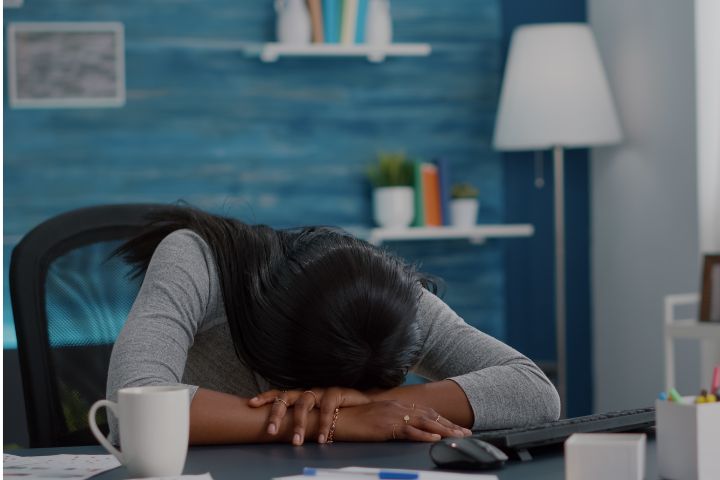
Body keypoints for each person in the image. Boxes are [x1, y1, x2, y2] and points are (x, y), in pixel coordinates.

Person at [107, 205, 560, 446]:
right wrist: (336, 422)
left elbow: (533, 391)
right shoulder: (198, 259)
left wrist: (380, 404)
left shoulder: (391, 296)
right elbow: (133, 408)